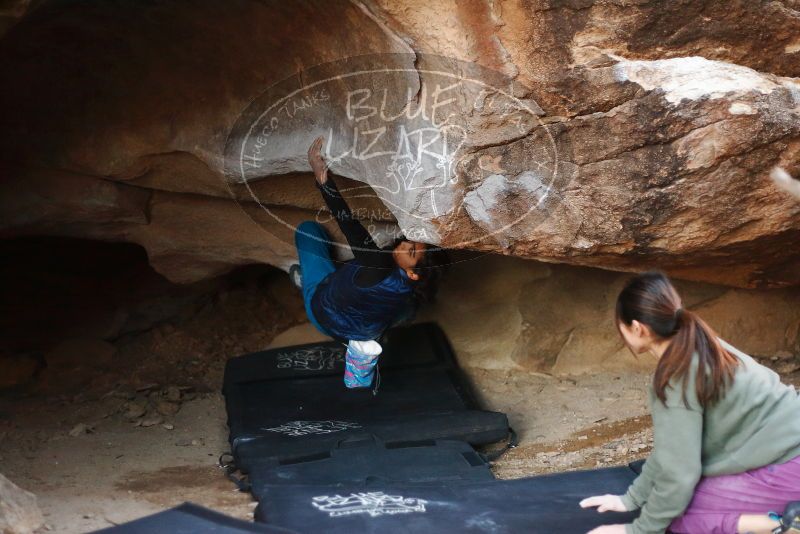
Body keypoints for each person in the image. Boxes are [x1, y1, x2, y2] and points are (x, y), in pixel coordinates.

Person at [580, 271, 800, 534]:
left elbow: (678, 477)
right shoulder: (702, 342)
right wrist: (631, 499)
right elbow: (672, 450)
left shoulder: (677, 376)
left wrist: (636, 531)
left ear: (638, 328)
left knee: (679, 515)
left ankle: (783, 525)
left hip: (789, 466)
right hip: (785, 454)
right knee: (666, 502)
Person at [290, 136, 448, 387]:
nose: (404, 244)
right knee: (406, 307)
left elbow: (348, 223)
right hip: (370, 326)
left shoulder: (376, 265)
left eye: (411, 250)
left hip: (325, 315)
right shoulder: (412, 285)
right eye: (411, 241)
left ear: (414, 272)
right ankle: (364, 348)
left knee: (308, 231)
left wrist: (321, 176)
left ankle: (302, 279)